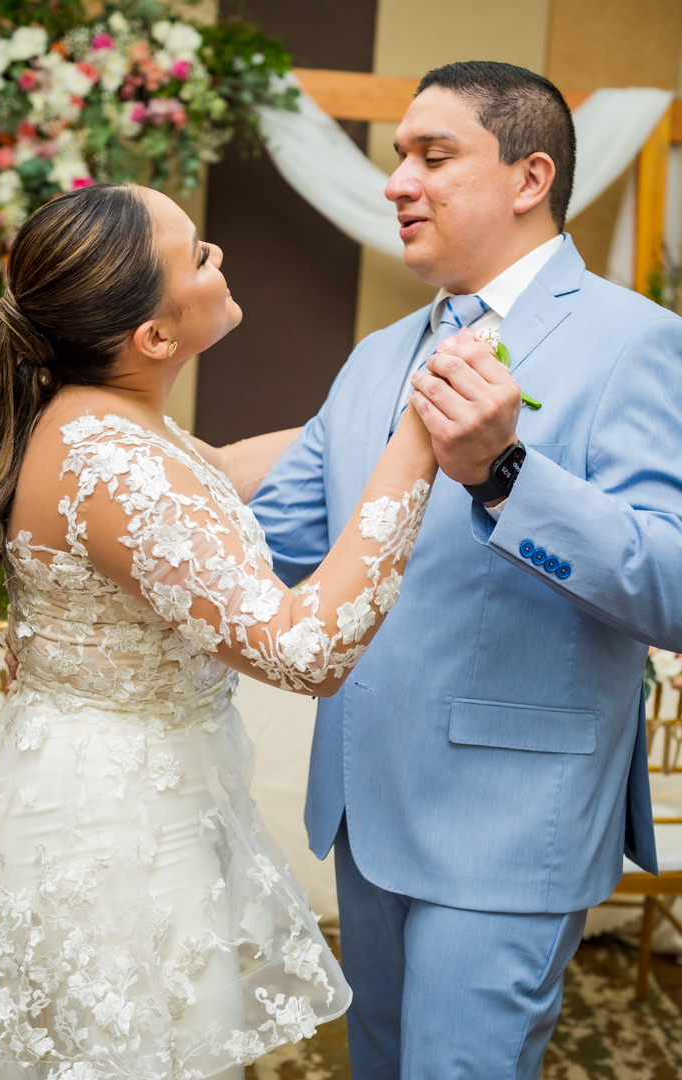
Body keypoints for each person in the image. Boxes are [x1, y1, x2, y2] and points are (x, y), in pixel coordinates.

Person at [250, 60, 682, 1079]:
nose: (396, 181)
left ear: (529, 177)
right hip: (363, 806)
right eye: (400, 155)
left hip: (508, 820)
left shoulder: (638, 342)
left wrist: (506, 473)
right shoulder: (377, 356)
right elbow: (272, 538)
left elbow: (671, 586)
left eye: (432, 156)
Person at [0, 182, 446, 1079]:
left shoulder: (104, 423)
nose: (219, 257)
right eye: (198, 255)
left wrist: (371, 415)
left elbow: (217, 469)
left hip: (112, 792)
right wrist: (419, 442)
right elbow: (303, 651)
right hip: (113, 837)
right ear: (154, 337)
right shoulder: (115, 464)